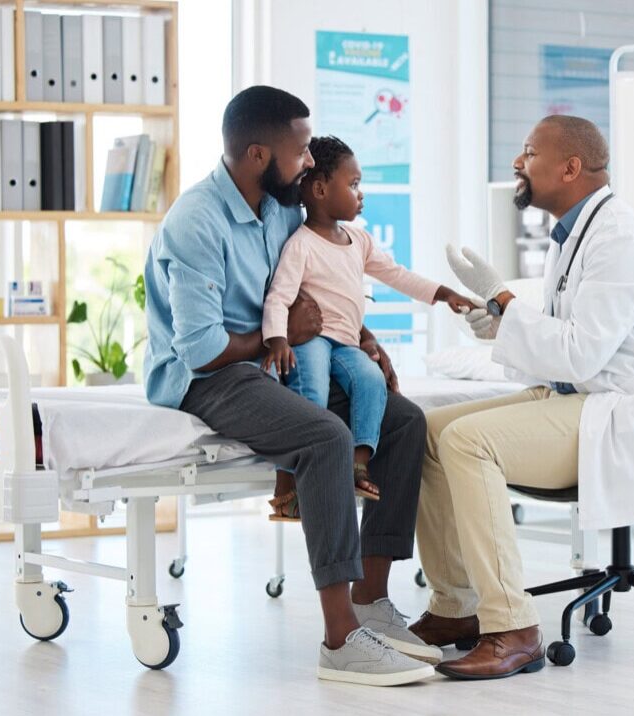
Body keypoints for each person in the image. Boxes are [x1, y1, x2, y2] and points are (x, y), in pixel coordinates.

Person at [409, 115, 634, 680]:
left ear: (570, 167)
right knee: (429, 430)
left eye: (529, 152)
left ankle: (513, 628)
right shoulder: (574, 234)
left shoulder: (622, 240)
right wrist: (497, 317)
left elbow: (583, 354)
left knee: (465, 442)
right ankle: (456, 608)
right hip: (589, 396)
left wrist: (505, 303)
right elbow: (570, 340)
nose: (517, 163)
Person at [143, 85, 441, 685]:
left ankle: (369, 602)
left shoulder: (280, 210)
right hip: (210, 376)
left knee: (404, 421)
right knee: (326, 437)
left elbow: (324, 282)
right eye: (302, 150)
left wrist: (361, 337)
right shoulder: (196, 222)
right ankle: (339, 640)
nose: (309, 163)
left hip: (277, 363)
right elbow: (200, 351)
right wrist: (275, 337)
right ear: (258, 154)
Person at [261, 135, 475, 521]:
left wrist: (442, 294)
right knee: (310, 392)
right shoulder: (301, 245)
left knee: (372, 381)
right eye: (354, 184)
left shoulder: (358, 240)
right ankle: (291, 485)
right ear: (321, 189)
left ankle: (358, 465)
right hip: (311, 339)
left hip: (345, 342)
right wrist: (277, 338)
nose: (362, 194)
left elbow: (397, 275)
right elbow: (279, 296)